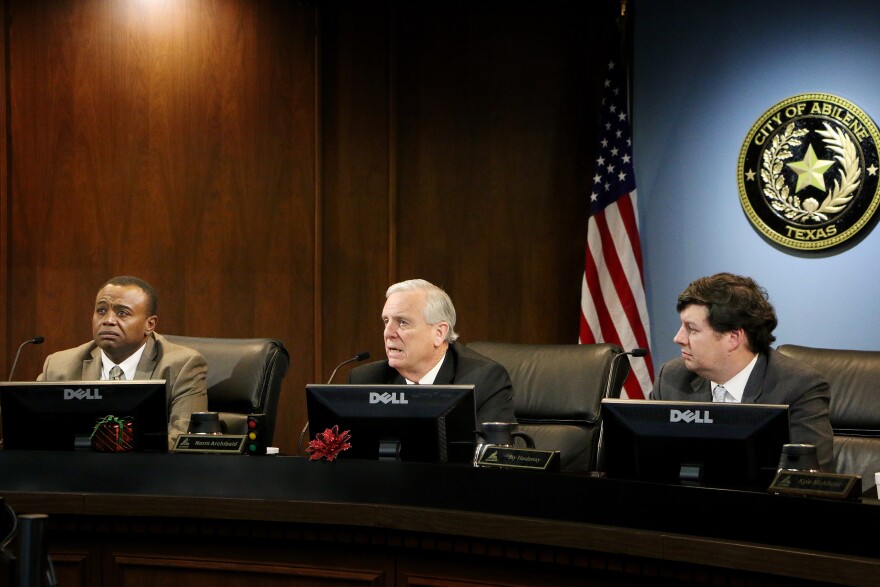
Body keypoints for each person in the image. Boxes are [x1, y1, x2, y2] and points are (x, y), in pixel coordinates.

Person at [649, 272, 834, 471]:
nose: (678, 338)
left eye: (691, 329)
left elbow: (808, 481)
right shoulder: (672, 378)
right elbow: (648, 463)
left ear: (734, 337)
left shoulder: (798, 387)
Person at [37, 275, 208, 449]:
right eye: (101, 310)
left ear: (150, 324)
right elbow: (32, 431)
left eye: (122, 313)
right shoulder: (59, 365)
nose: (108, 320)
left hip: (149, 472)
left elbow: (184, 439)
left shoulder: (183, 366)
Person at [349, 278, 515, 425]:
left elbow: (492, 455)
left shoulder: (482, 381)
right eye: (386, 321)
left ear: (439, 333)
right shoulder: (366, 381)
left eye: (402, 322)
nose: (388, 333)